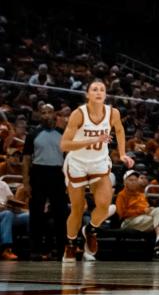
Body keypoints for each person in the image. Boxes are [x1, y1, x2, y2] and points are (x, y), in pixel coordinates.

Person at [60, 80, 134, 262]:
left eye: (102, 89)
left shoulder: (112, 113)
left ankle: (91, 230)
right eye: (94, 89)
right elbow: (64, 144)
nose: (99, 92)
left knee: (103, 205)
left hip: (99, 163)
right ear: (87, 94)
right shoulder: (78, 114)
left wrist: (123, 154)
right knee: (77, 209)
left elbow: (120, 130)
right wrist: (91, 141)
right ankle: (70, 244)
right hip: (77, 163)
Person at [21, 103, 67, 260]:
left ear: (55, 114)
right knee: (36, 213)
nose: (46, 115)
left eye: (49, 112)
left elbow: (70, 158)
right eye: (43, 112)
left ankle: (61, 249)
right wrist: (26, 183)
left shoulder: (63, 133)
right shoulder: (33, 134)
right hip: (39, 172)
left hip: (58, 173)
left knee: (60, 213)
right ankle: (36, 250)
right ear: (40, 115)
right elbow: (26, 159)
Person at [114, 171, 159, 258]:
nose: (134, 182)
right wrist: (142, 210)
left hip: (144, 219)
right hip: (129, 221)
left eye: (135, 180)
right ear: (125, 182)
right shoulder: (121, 195)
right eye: (130, 180)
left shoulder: (141, 195)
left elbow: (146, 208)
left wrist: (150, 210)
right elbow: (121, 214)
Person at [0, 176, 29, 260]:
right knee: (7, 214)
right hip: (4, 213)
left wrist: (14, 205)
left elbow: (11, 199)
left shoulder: (3, 184)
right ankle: (6, 249)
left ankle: (35, 249)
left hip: (8, 211)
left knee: (30, 216)